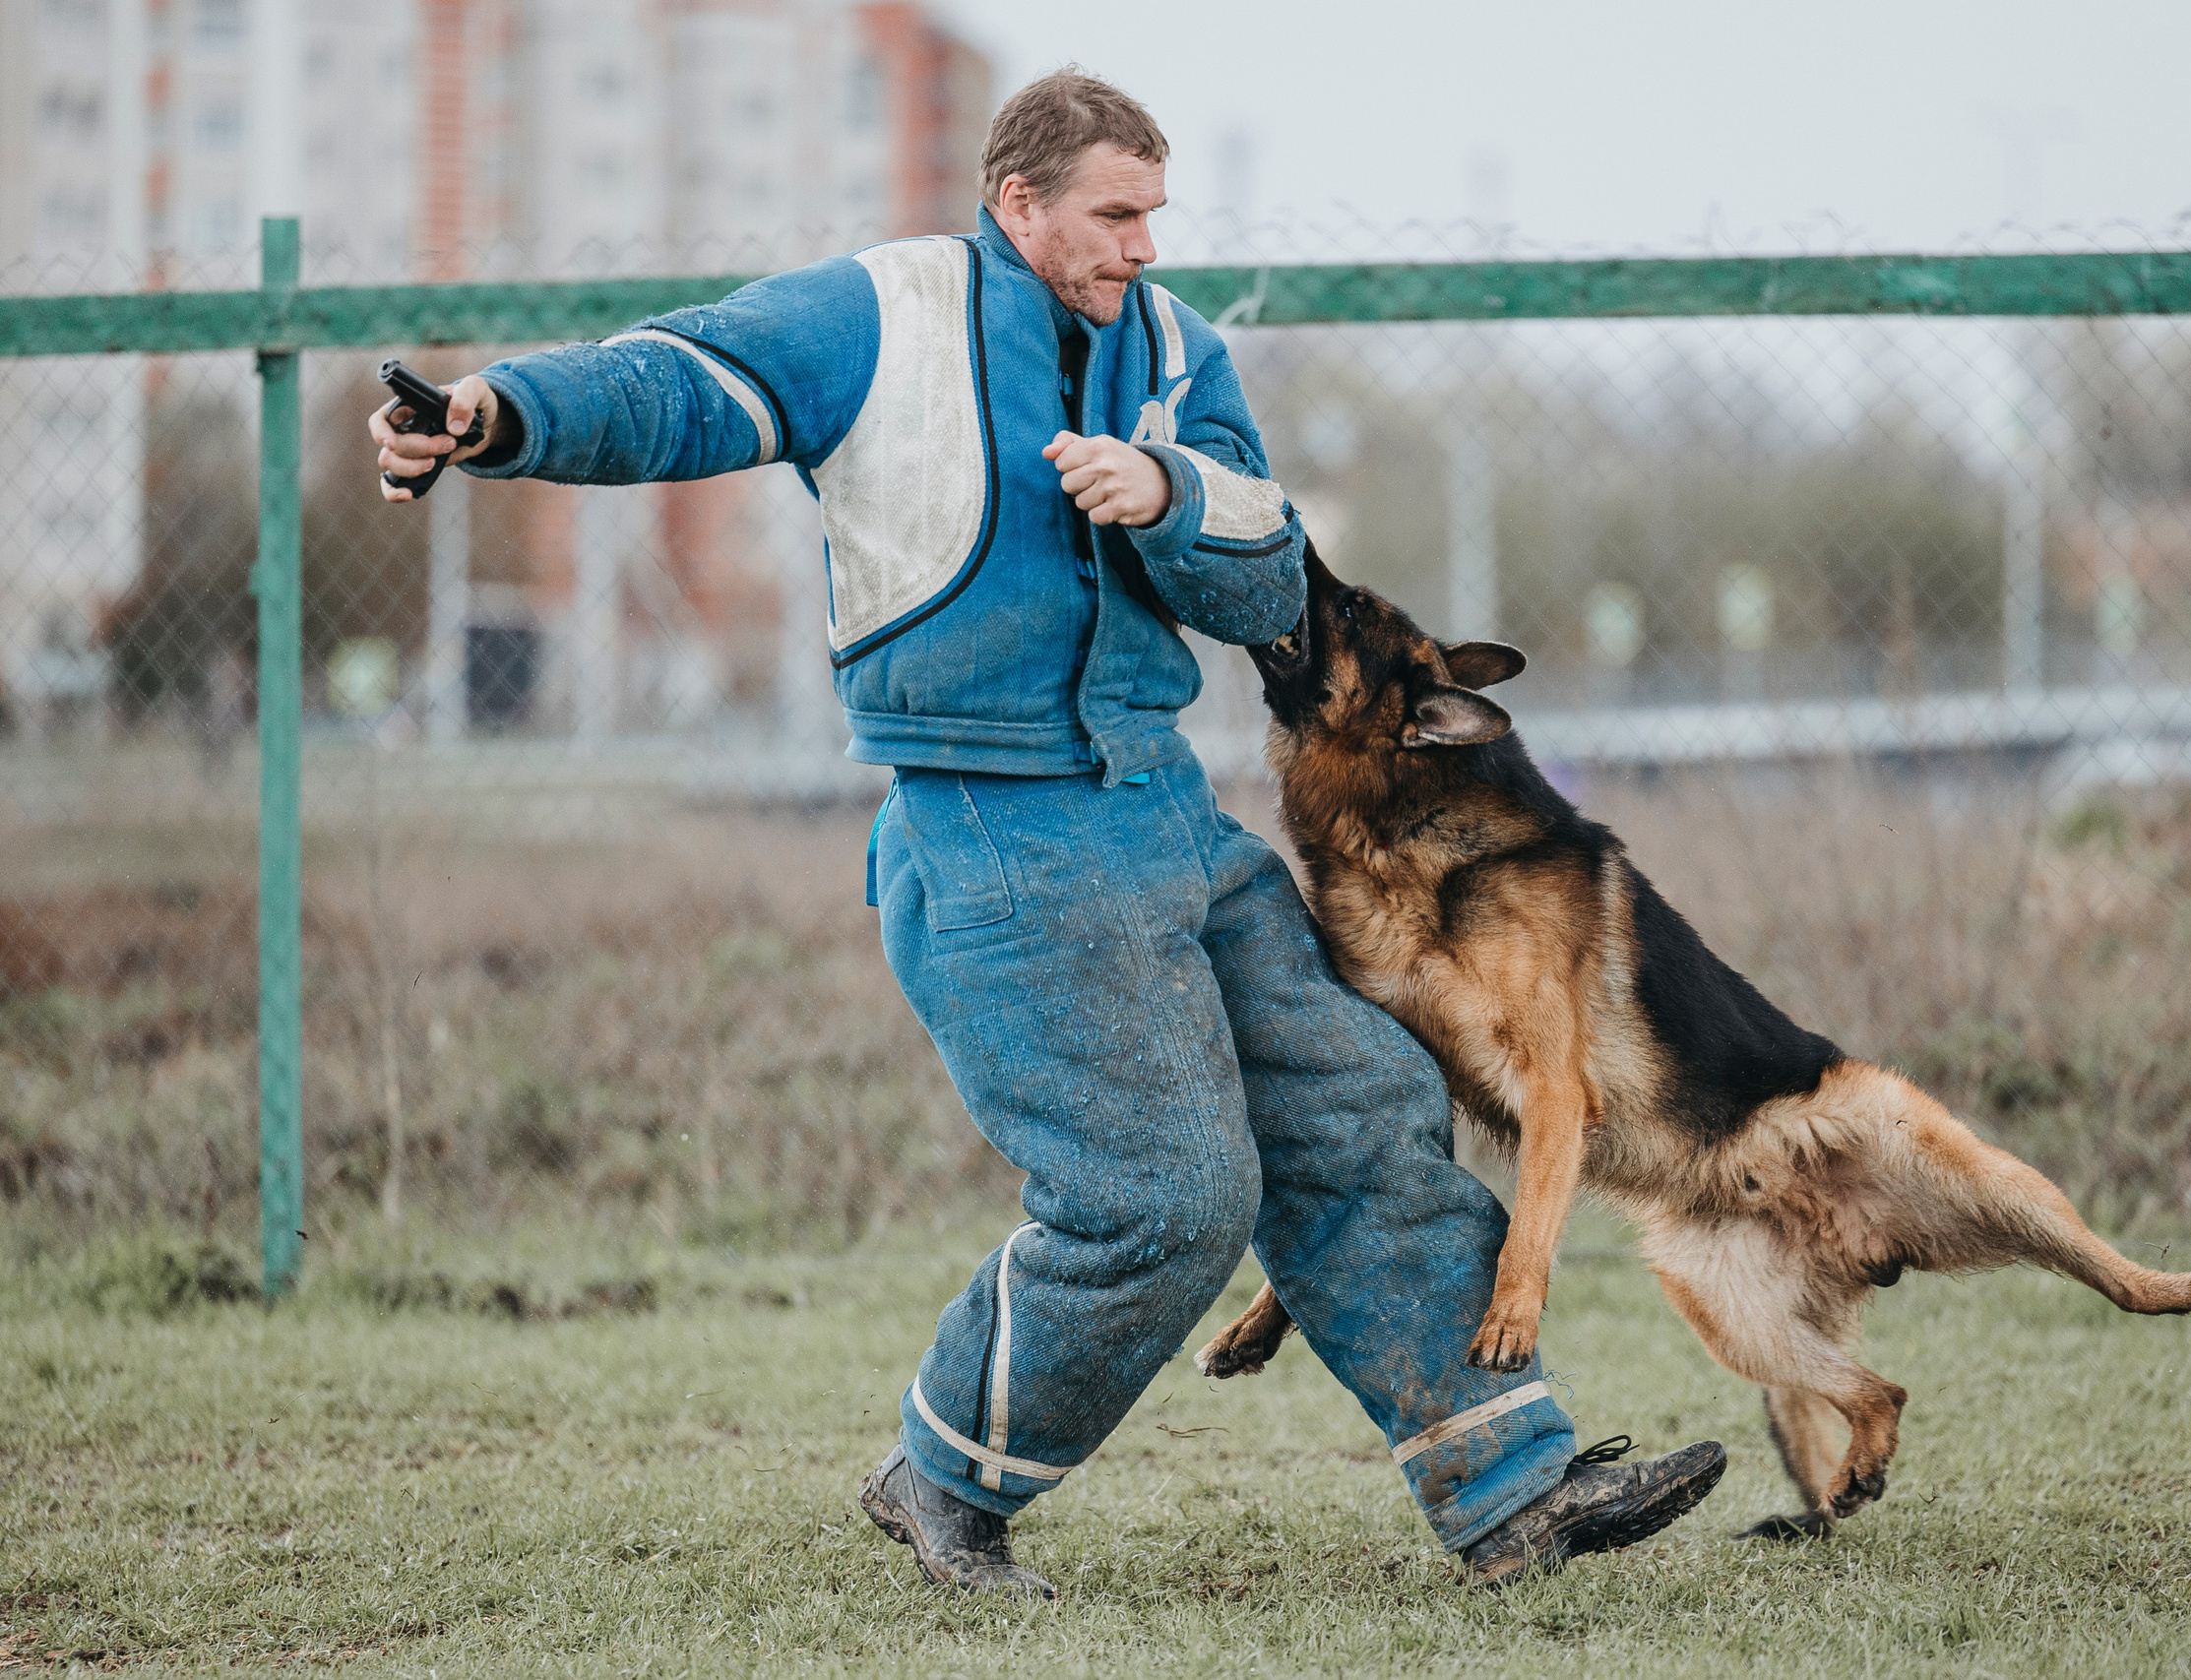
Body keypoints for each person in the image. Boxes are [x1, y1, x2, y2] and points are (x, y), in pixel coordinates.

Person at [371, 67, 1723, 1595]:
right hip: (986, 823)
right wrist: (495, 415)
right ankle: (942, 1473)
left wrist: (1163, 492)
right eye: (1116, 214)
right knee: (1163, 1195)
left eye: (1158, 213)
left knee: (1355, 1102)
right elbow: (680, 382)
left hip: (1162, 805)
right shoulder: (877, 316)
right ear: (1018, 202)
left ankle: (1514, 1489)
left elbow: (1275, 584)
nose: (1147, 245)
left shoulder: (1176, 352)